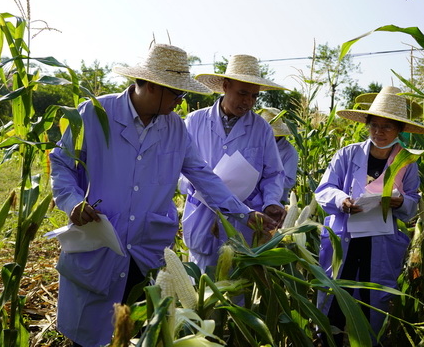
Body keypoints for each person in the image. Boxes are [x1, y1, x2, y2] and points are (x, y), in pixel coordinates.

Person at [49, 44, 275, 347]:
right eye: (176, 94)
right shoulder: (95, 113)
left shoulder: (175, 129)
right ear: (153, 87)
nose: (180, 103)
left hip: (146, 249)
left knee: (139, 329)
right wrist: (72, 201)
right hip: (99, 242)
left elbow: (204, 177)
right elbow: (62, 163)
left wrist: (245, 214)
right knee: (89, 333)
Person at [314, 86, 424, 346]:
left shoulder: (406, 162)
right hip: (345, 236)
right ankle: (327, 339)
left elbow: (413, 203)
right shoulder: (347, 154)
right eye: (374, 126)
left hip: (380, 240)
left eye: (387, 127)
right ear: (367, 125)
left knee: (372, 301)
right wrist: (341, 200)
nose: (379, 132)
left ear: (399, 130)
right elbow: (324, 190)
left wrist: (400, 201)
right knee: (336, 294)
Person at [180, 54, 288, 273]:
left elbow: (274, 174)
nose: (248, 101)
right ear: (225, 86)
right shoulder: (194, 121)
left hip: (246, 225)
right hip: (203, 219)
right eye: (242, 93)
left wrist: (271, 202)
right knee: (202, 288)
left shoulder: (262, 129)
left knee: (238, 288)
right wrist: (200, 187)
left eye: (254, 96)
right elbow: (182, 172)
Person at [259, 107, 299, 204]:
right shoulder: (255, 145)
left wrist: (262, 180)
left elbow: (289, 181)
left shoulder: (289, 152)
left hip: (276, 202)